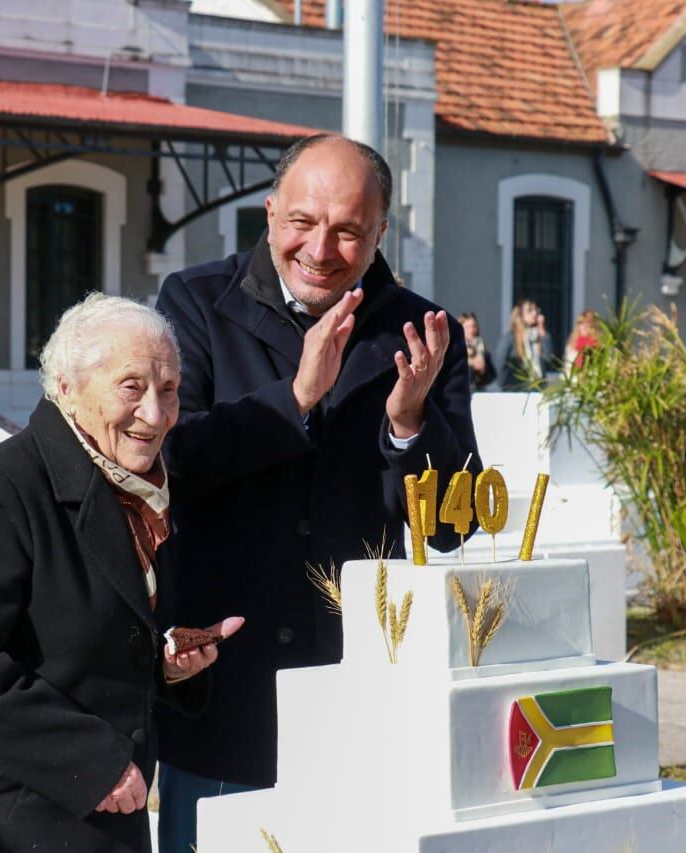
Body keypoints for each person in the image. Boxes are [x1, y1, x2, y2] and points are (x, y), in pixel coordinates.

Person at [153, 134, 481, 851]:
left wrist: (409, 423)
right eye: (303, 221)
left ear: (380, 235)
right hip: (224, 684)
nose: (321, 247)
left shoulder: (425, 332)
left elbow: (456, 524)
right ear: (270, 213)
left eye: (348, 230)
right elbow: (173, 460)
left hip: (356, 684)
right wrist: (295, 397)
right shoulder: (195, 303)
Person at [0, 293, 243, 853]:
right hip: (8, 825)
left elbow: (99, 638)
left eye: (168, 390)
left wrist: (171, 666)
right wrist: (96, 764)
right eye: (131, 387)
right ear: (66, 387)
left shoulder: (139, 492)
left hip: (98, 822)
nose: (156, 415)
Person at [495, 298, 552, 390]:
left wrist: (543, 333)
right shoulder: (510, 337)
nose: (535, 313)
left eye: (536, 310)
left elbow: (548, 360)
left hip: (538, 387)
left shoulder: (537, 336)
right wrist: (505, 386)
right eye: (530, 310)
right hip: (516, 389)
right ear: (520, 315)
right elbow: (499, 364)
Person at [459, 311, 497, 391]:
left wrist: (483, 369)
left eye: (474, 326)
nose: (472, 330)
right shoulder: (456, 348)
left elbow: (492, 376)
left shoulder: (481, 347)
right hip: (462, 392)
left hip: (479, 391)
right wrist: (472, 365)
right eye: (467, 327)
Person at [564, 309, 600, 373]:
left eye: (588, 324)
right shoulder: (573, 339)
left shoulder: (595, 341)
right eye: (582, 323)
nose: (584, 327)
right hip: (574, 372)